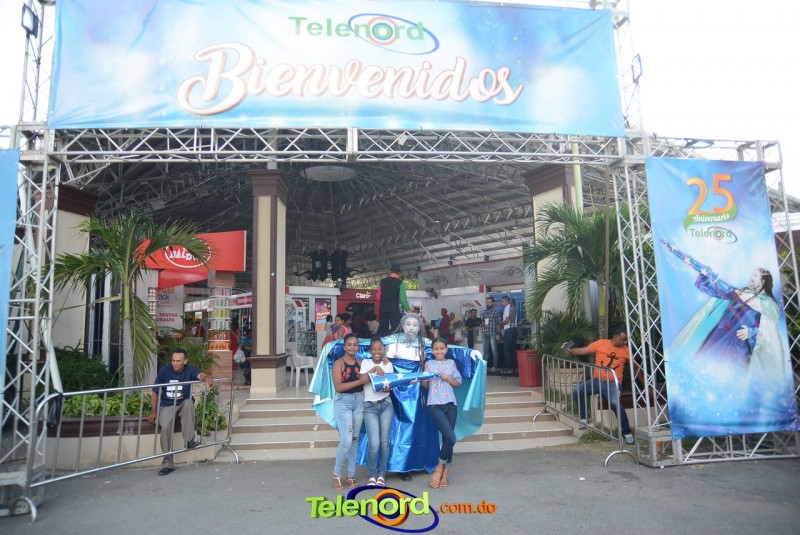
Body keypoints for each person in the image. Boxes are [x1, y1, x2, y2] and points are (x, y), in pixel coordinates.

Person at [311, 313, 486, 482]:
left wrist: (470, 353)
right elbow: (365, 346)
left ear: (420, 328)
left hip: (416, 391)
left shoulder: (424, 343)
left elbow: (446, 350)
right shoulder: (389, 341)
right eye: (408, 324)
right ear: (402, 325)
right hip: (394, 391)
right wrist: (332, 347)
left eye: (415, 325)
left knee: (415, 427)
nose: (411, 328)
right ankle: (396, 465)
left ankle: (416, 463)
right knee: (397, 428)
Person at [563, 325, 635, 445]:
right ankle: (584, 418)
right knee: (577, 391)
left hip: (613, 383)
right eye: (623, 339)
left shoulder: (626, 350)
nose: (625, 342)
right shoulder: (601, 343)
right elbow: (582, 351)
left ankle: (627, 433)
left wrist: (646, 385)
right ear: (615, 337)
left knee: (615, 404)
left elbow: (635, 367)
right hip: (596, 381)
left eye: (626, 340)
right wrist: (569, 350)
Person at [148, 348, 213, 475]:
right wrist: (153, 412)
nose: (175, 363)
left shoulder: (190, 369)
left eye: (178, 361)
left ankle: (189, 440)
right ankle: (167, 464)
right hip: (167, 405)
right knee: (165, 427)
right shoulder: (164, 370)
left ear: (185, 361)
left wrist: (206, 378)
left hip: (183, 403)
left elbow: (200, 375)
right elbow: (155, 392)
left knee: (188, 403)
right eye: (173, 360)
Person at [421, 339, 462, 489]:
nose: (439, 351)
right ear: (432, 350)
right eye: (436, 349)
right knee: (451, 438)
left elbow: (458, 383)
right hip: (435, 405)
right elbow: (425, 385)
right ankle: (439, 468)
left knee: (447, 440)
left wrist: (448, 378)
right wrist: (423, 379)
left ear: (446, 349)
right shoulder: (428, 364)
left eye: (442, 348)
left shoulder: (451, 363)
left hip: (451, 405)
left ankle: (444, 473)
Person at [331, 333, 369, 490]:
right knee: (346, 440)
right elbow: (339, 387)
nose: (352, 347)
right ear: (344, 347)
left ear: (358, 346)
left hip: (359, 400)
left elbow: (375, 365)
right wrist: (359, 381)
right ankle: (337, 474)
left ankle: (351, 475)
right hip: (343, 402)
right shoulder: (338, 364)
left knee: (354, 439)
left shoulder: (361, 362)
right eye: (349, 345)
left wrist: (385, 360)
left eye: (355, 345)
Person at [359, 338, 393, 487]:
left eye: (380, 349)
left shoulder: (388, 364)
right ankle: (372, 475)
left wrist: (387, 386)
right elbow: (362, 379)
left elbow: (389, 385)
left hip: (386, 404)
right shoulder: (366, 363)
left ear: (383, 350)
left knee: (384, 442)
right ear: (370, 351)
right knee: (374, 443)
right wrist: (374, 370)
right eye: (374, 349)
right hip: (369, 407)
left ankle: (381, 474)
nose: (377, 351)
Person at [376, 265, 410, 336]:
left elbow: (378, 296)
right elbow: (403, 299)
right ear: (398, 273)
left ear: (391, 271)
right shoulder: (400, 283)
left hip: (383, 308)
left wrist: (382, 305)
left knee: (382, 329)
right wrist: (408, 309)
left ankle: (381, 341)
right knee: (396, 328)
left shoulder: (382, 281)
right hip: (394, 308)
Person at [481, 297, 503, 371]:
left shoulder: (496, 311)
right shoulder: (484, 312)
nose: (488, 304)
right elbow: (483, 322)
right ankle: (484, 368)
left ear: (493, 303)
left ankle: (494, 366)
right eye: (487, 302)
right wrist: (482, 327)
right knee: (485, 352)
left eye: (489, 302)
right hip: (485, 334)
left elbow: (499, 323)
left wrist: (498, 333)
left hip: (493, 333)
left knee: (494, 351)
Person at [500, 296, 518, 372]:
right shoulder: (513, 308)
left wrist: (500, 324)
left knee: (506, 350)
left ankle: (509, 368)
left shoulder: (507, 308)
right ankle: (515, 368)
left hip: (508, 329)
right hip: (514, 329)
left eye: (503, 301)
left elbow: (508, 320)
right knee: (513, 350)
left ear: (507, 301)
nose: (502, 303)